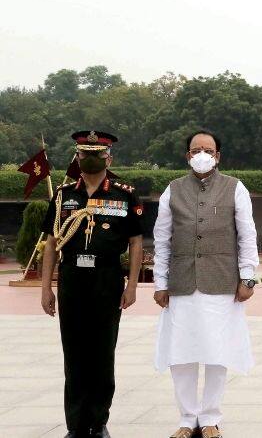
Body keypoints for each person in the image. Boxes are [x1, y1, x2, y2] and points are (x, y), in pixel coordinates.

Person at [152, 130, 259, 438]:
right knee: (181, 353)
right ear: (188, 156)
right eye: (196, 149)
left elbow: (246, 235)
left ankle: (210, 417)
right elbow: (162, 239)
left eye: (207, 149)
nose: (202, 154)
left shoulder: (235, 188)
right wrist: (160, 282)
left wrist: (248, 276)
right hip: (182, 283)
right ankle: (187, 419)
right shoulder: (172, 190)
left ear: (218, 156)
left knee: (216, 352)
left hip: (221, 283)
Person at [39, 130, 144, 438]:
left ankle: (97, 423)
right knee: (73, 355)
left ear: (108, 157)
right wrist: (46, 288)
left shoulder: (124, 194)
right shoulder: (64, 195)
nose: (90, 158)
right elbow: (51, 243)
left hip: (106, 280)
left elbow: (136, 243)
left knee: (101, 354)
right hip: (72, 280)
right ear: (77, 157)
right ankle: (75, 425)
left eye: (97, 153)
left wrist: (133, 285)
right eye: (84, 153)